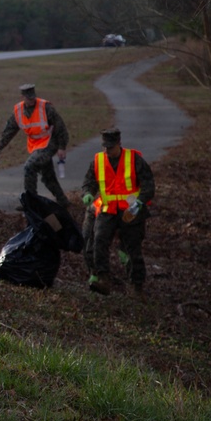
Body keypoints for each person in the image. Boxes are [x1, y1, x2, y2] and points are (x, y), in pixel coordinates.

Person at [81, 127, 155, 296]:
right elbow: (88, 182)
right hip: (107, 210)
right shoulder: (98, 161)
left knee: (132, 248)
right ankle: (103, 279)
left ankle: (136, 286)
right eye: (105, 147)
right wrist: (87, 194)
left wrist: (140, 201)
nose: (107, 151)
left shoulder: (134, 159)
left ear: (119, 144)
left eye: (111, 147)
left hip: (130, 212)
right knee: (99, 241)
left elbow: (149, 184)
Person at [0, 83, 71, 207]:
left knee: (29, 166)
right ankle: (63, 201)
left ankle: (31, 202)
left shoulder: (46, 107)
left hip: (50, 143)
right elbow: (10, 130)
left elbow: (61, 127)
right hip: (35, 146)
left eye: (33, 98)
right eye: (29, 98)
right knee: (48, 177)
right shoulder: (18, 111)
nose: (32, 100)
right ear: (23, 97)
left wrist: (61, 147)